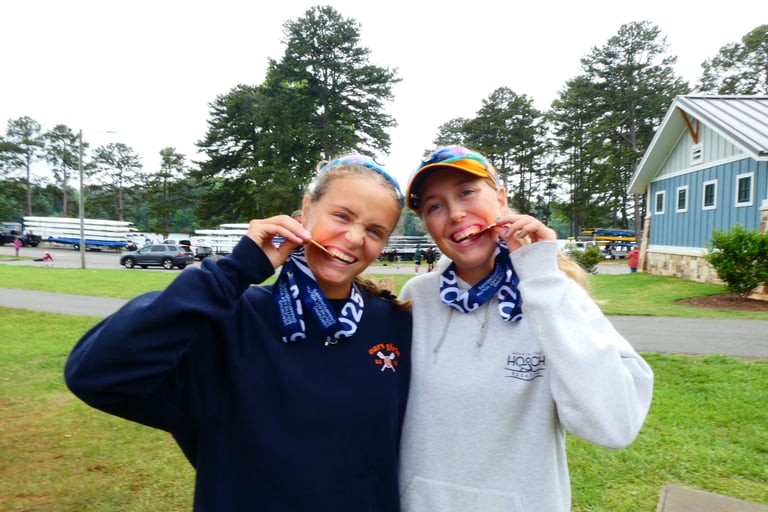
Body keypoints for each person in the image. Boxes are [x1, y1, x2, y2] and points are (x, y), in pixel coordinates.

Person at [64, 155, 412, 510]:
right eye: (342, 216)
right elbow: (96, 375)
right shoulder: (230, 318)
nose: (354, 238)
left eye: (374, 231)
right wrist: (233, 272)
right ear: (306, 210)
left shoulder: (396, 325)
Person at [397, 145, 653, 512]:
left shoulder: (555, 294)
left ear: (500, 198)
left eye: (467, 192)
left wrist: (542, 281)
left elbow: (613, 426)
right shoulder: (418, 297)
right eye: (435, 206)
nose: (454, 213)